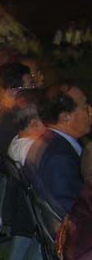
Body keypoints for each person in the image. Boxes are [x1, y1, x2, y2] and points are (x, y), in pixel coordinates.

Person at [26, 83, 89, 218]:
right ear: (65, 117)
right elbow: (73, 210)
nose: (90, 110)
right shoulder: (59, 158)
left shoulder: (48, 141)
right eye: (84, 106)